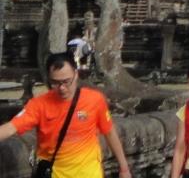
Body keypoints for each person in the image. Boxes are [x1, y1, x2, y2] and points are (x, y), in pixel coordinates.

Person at [0, 52, 133, 178]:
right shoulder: (39, 105)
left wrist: (124, 168)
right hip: (55, 173)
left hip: (89, 173)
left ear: (76, 74)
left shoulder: (94, 100)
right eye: (55, 83)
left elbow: (109, 132)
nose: (62, 88)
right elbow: (11, 127)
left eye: (66, 81)